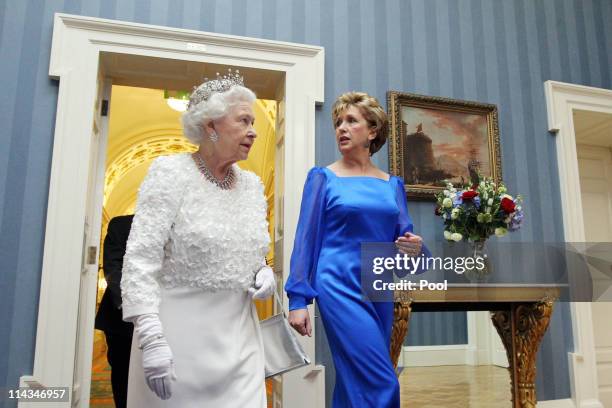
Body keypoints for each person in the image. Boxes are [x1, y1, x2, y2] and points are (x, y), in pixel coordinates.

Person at [120, 70, 275, 407]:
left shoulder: (251, 187)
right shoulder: (170, 173)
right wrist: (150, 334)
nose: (254, 131)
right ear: (211, 126)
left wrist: (263, 272)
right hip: (178, 338)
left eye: (254, 121)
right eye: (244, 120)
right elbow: (140, 258)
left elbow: (253, 253)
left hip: (241, 339)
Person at [285, 92, 429, 407]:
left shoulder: (393, 185)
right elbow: (305, 239)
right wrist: (298, 299)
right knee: (381, 381)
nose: (341, 128)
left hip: (378, 287)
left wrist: (415, 249)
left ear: (373, 130)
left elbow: (405, 245)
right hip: (338, 285)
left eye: (351, 121)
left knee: (354, 381)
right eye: (338, 122)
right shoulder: (323, 178)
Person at [94, 214, 134, 408]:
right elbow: (113, 268)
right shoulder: (120, 225)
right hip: (121, 321)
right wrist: (133, 308)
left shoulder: (175, 226)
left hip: (165, 318)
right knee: (123, 375)